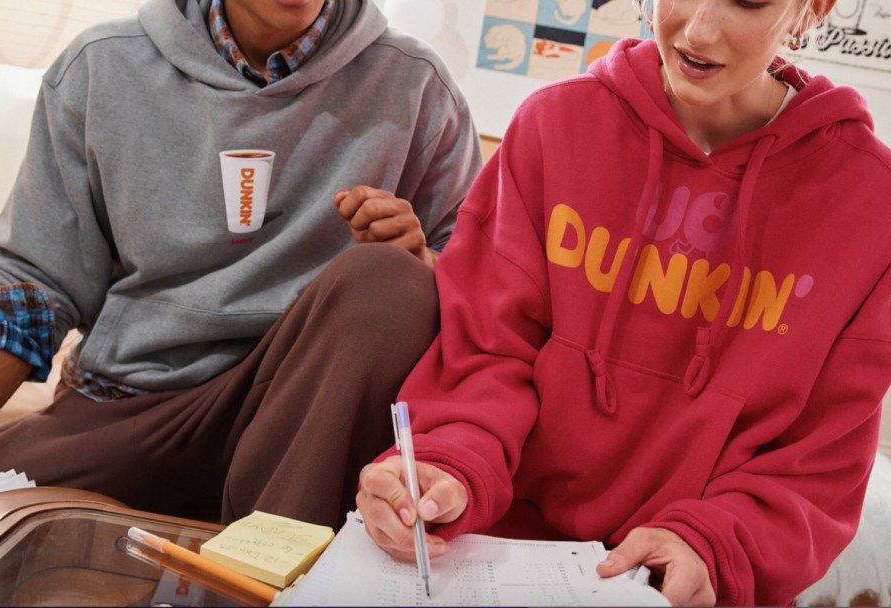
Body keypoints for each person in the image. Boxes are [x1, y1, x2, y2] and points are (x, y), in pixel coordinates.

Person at [355, 0, 891, 604]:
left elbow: (821, 457)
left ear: (810, 10)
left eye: (746, 0)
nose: (698, 30)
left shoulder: (870, 202)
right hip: (494, 554)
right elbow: (484, 350)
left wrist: (710, 544)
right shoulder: (552, 127)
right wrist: (446, 461)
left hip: (691, 577)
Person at [0, 0, 481, 529]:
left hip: (307, 423)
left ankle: (264, 555)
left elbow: (479, 291)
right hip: (131, 406)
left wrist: (423, 259)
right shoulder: (101, 66)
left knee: (388, 279)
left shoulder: (417, 85)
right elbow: (33, 282)